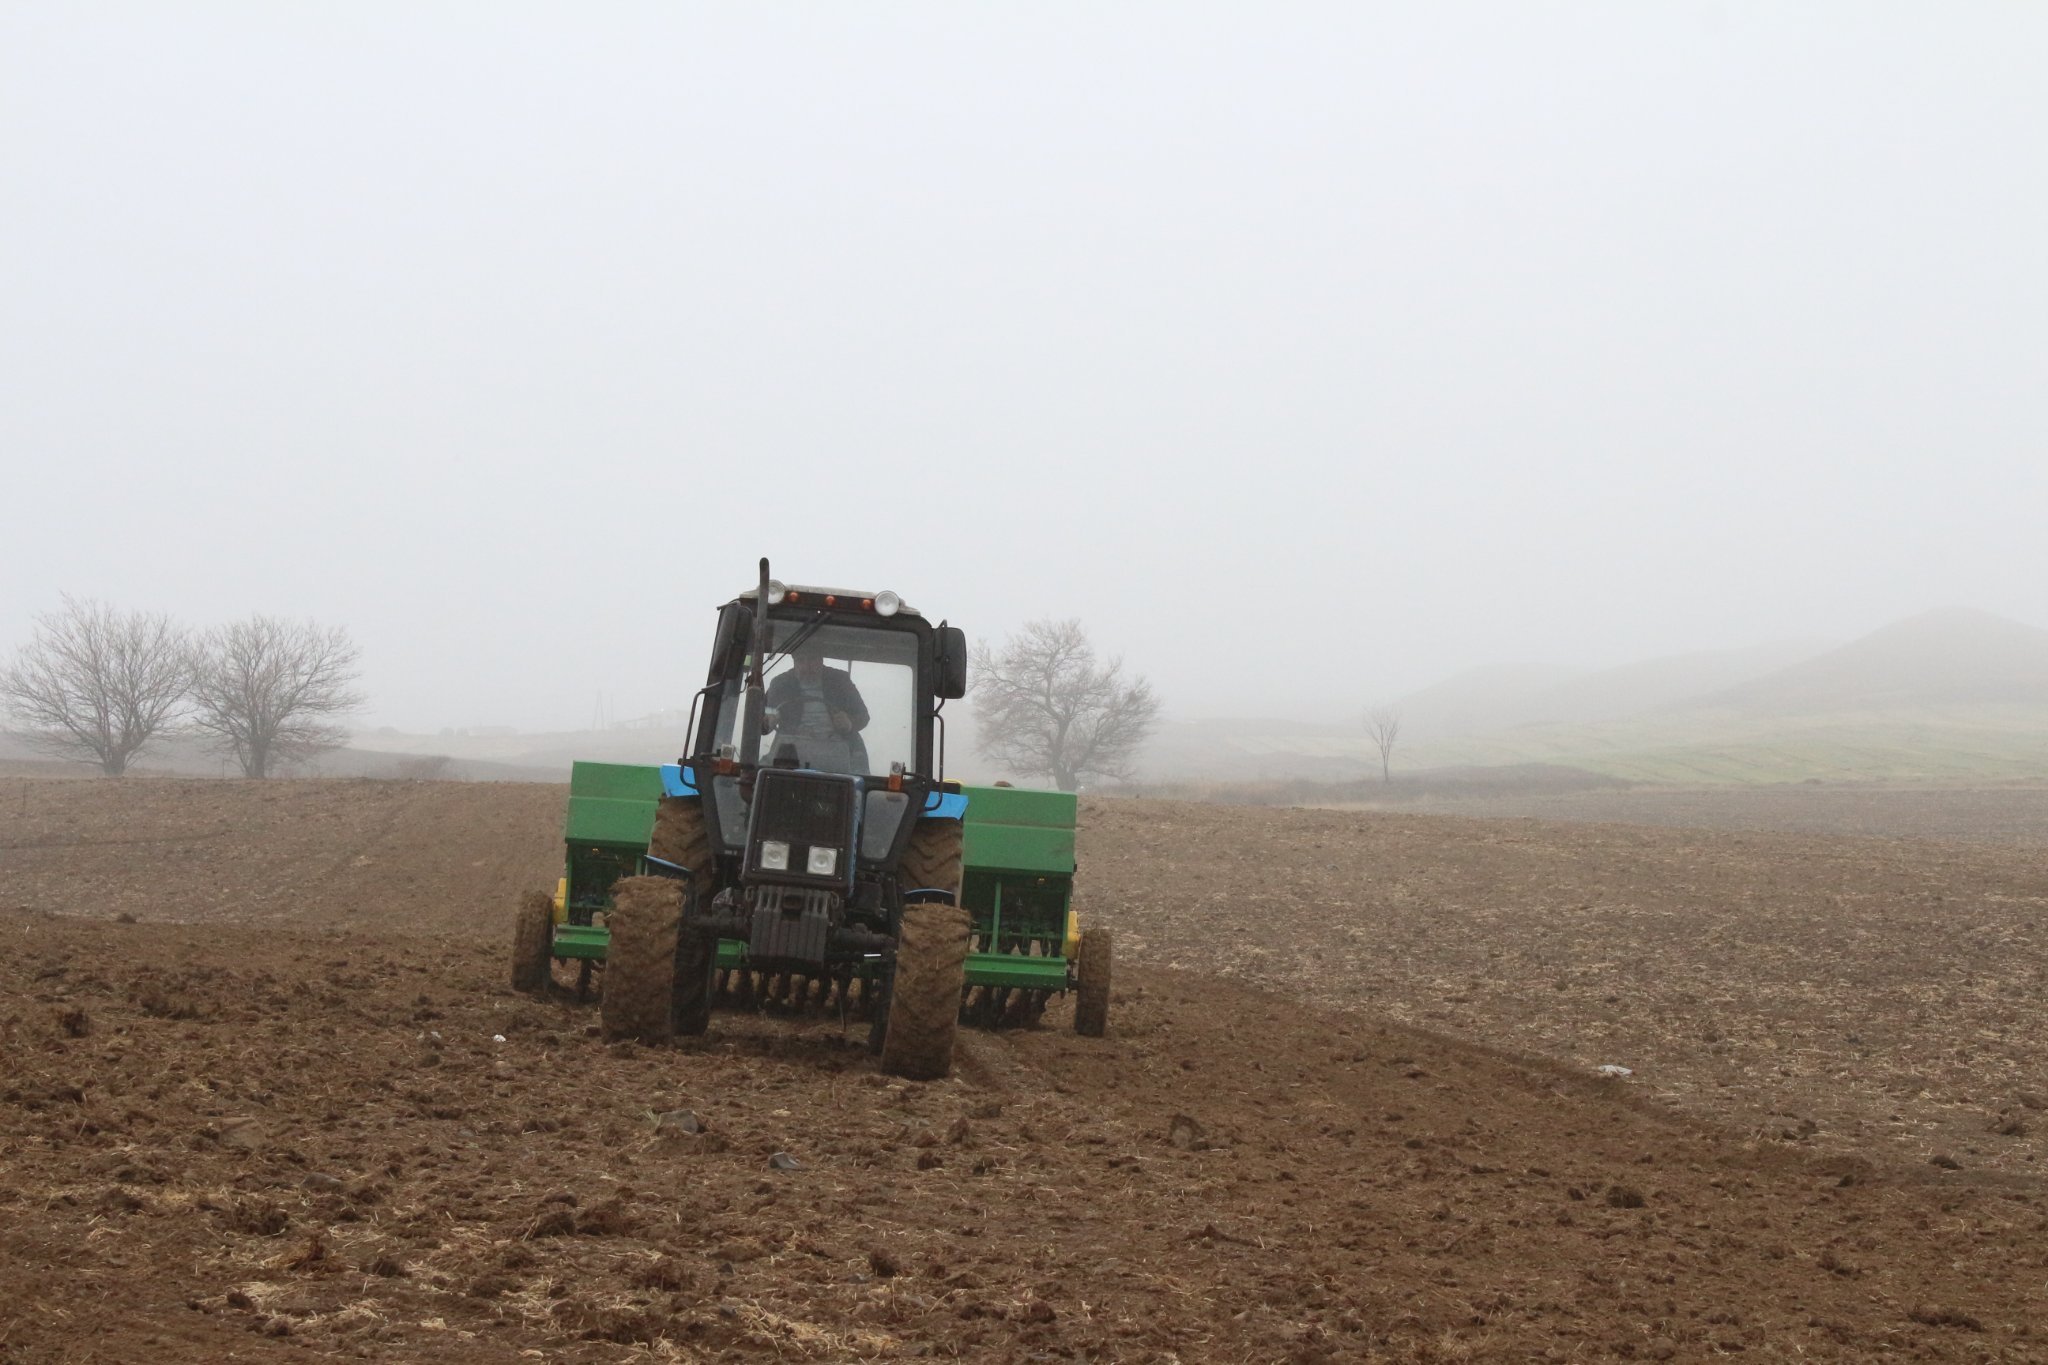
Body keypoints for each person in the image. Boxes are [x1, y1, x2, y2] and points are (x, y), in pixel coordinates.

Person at [763, 645, 870, 772]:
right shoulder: (780, 683)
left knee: (859, 780)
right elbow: (762, 718)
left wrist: (849, 723)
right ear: (794, 661)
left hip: (837, 748)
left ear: (821, 660)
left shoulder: (840, 680)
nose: (807, 666)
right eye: (800, 660)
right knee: (759, 775)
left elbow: (863, 716)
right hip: (791, 752)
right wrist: (767, 722)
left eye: (812, 660)